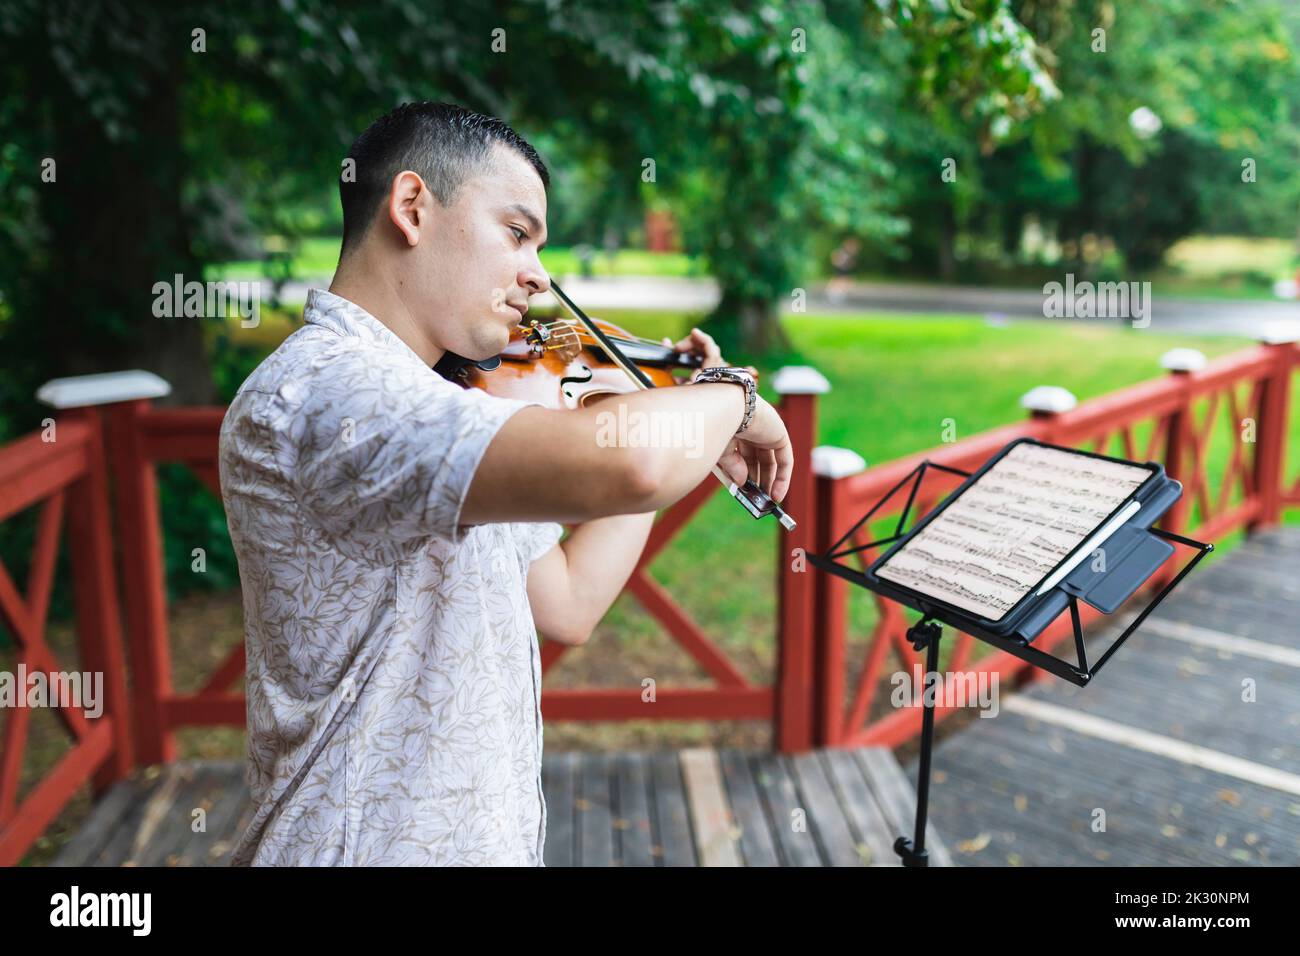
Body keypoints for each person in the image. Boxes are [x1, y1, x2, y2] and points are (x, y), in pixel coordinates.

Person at [218, 101, 794, 866]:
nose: (538, 274)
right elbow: (636, 463)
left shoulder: (444, 413)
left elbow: (569, 599)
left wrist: (657, 402)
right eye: (517, 233)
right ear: (412, 207)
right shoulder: (332, 393)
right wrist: (733, 397)